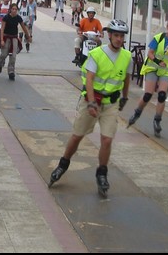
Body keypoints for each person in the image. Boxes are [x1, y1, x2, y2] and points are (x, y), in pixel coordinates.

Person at [49, 19, 132, 196]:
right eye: (116, 35)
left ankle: (102, 173)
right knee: (78, 135)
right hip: (92, 100)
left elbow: (126, 78)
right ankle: (63, 164)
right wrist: (92, 102)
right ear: (109, 35)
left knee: (107, 139)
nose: (119, 39)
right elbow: (89, 79)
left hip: (111, 103)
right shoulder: (97, 54)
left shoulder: (127, 56)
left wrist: (125, 96)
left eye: (122, 36)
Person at [127, 18, 168, 138]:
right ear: (167, 27)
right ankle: (137, 112)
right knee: (148, 95)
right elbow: (150, 53)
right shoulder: (159, 38)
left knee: (162, 95)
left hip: (166, 71)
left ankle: (157, 120)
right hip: (153, 67)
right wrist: (158, 61)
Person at [0, 3, 32, 80]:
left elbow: (24, 27)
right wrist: (2, 40)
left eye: (16, 9)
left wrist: (28, 36)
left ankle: (11, 71)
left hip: (14, 38)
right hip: (6, 37)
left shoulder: (18, 18)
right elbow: (2, 29)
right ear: (10, 9)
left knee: (13, 56)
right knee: (4, 54)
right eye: (13, 9)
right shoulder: (6, 17)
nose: (14, 10)